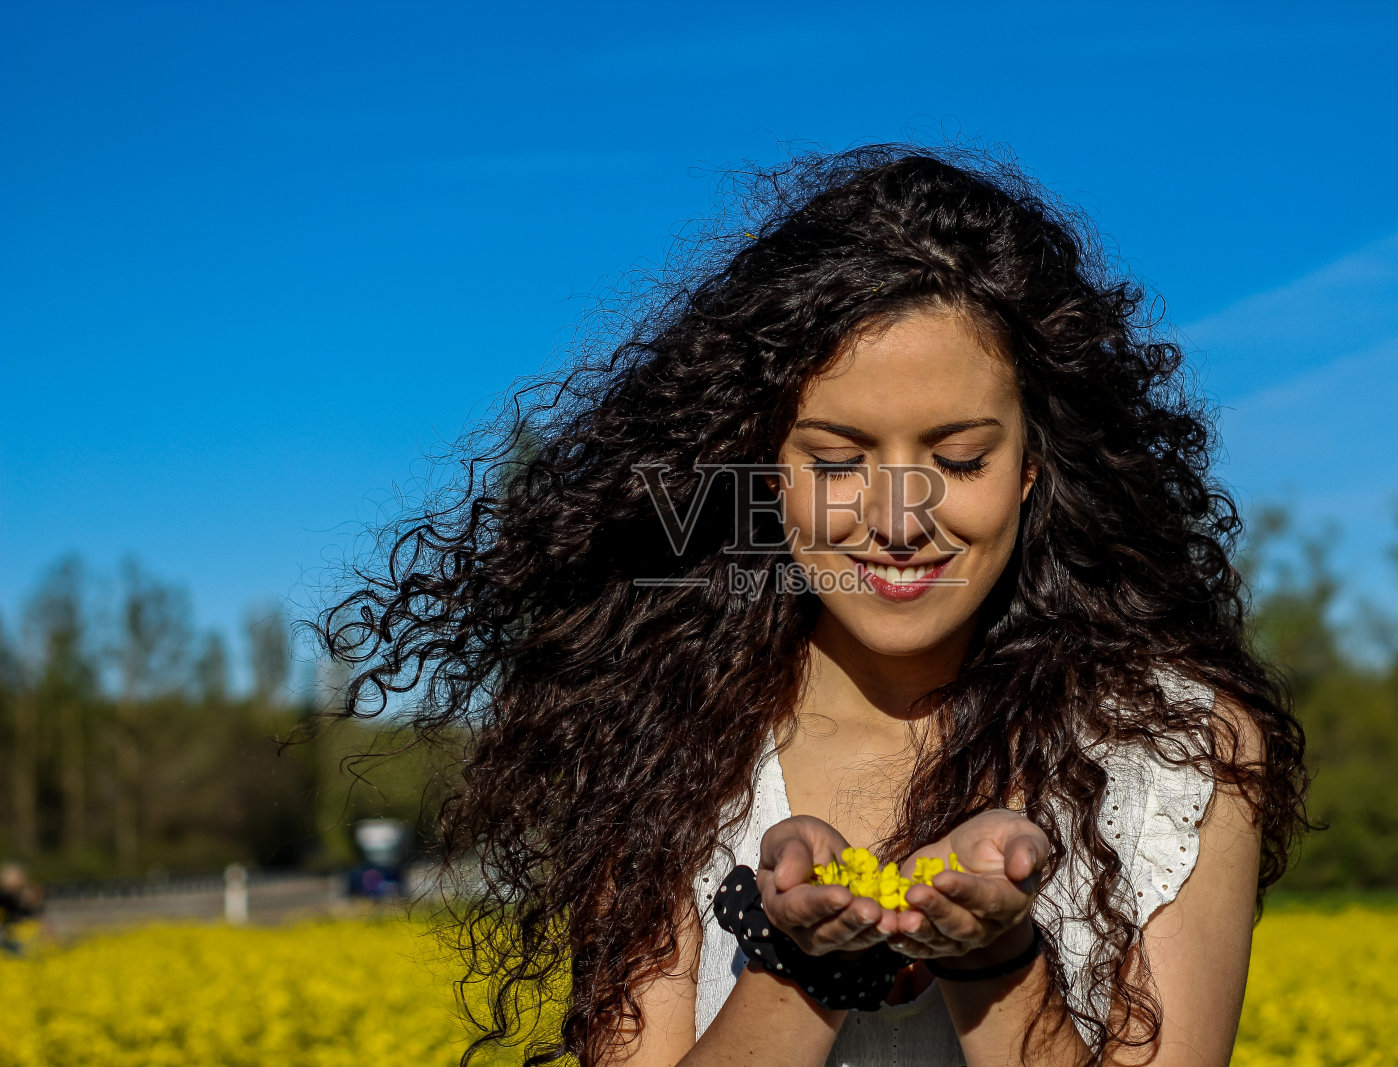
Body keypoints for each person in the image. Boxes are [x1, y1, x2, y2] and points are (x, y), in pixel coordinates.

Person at [317, 143, 1312, 1067]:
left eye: (959, 457)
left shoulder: (1178, 745)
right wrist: (804, 964)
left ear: (1029, 473)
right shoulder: (666, 734)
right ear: (765, 477)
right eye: (836, 460)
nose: (895, 518)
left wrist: (994, 962)